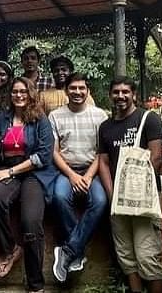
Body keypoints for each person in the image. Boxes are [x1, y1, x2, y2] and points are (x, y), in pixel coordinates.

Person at [0, 77, 57, 293]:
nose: (19, 95)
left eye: (23, 91)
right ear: (10, 94)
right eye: (15, 91)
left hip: (34, 175)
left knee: (30, 222)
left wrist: (11, 171)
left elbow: (43, 156)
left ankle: (35, 285)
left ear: (31, 93)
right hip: (9, 171)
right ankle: (9, 249)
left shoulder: (40, 120)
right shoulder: (2, 118)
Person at [98, 76, 162, 293]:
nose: (120, 96)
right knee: (126, 256)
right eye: (116, 92)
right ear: (110, 95)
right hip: (118, 204)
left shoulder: (149, 119)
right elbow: (103, 162)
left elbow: (157, 158)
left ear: (133, 94)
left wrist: (136, 192)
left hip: (144, 202)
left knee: (147, 256)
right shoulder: (105, 127)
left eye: (125, 92)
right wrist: (113, 196)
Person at [49, 73, 108, 282]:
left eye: (81, 88)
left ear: (87, 90)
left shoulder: (100, 116)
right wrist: (73, 176)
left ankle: (68, 249)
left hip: (94, 170)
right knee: (59, 197)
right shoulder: (55, 116)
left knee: (100, 201)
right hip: (67, 171)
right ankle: (77, 252)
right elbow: (54, 152)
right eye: (72, 88)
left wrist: (89, 176)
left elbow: (102, 152)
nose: (77, 92)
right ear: (66, 91)